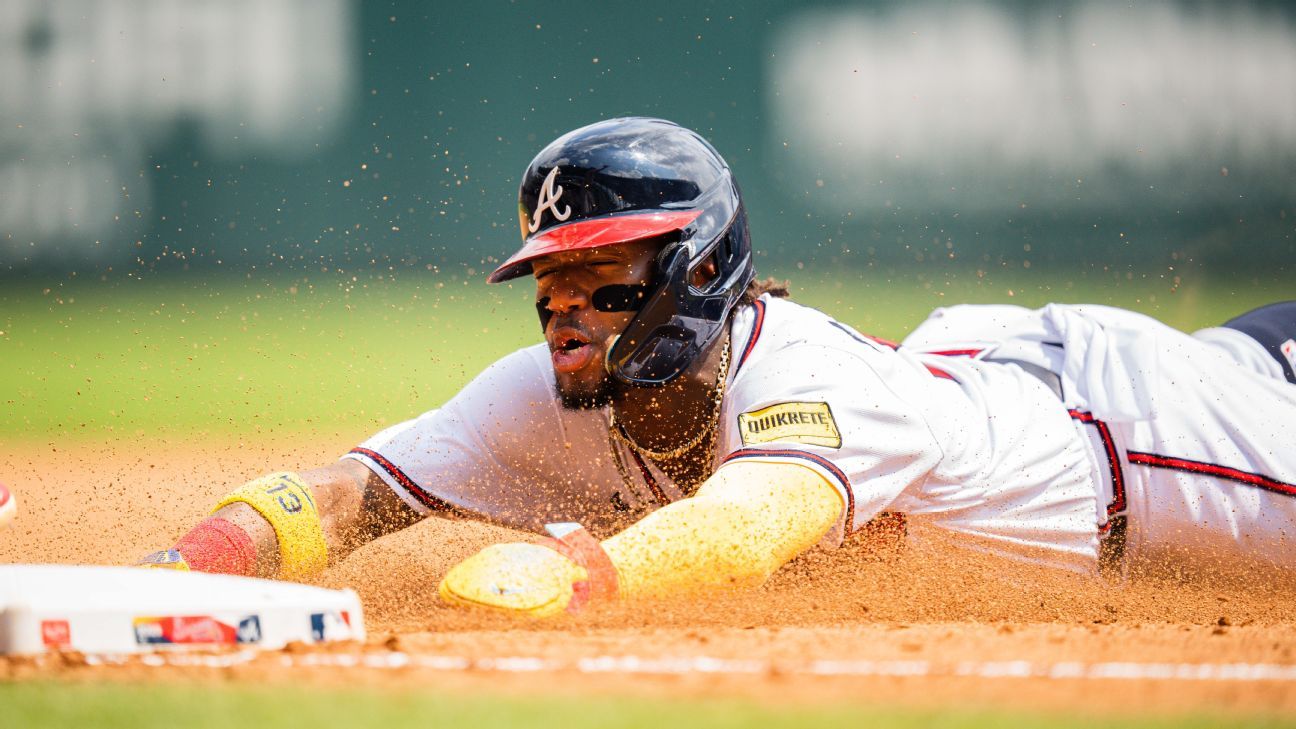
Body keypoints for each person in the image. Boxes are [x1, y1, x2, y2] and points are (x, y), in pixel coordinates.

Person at [142, 117, 1296, 616]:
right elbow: (354, 497)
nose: (561, 306)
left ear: (695, 268)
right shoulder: (556, 390)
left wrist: (580, 578)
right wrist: (181, 568)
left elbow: (746, 526)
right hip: (981, 371)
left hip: (1139, 445)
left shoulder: (798, 371)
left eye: (600, 272)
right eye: (549, 277)